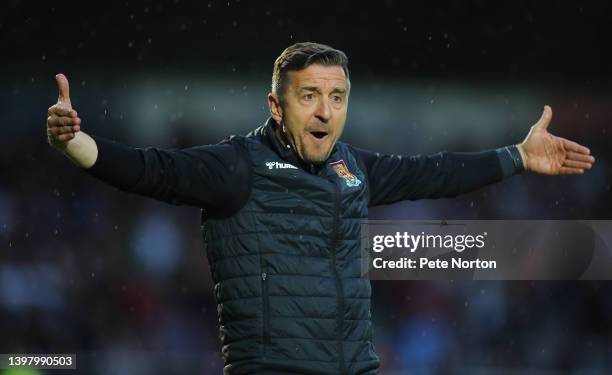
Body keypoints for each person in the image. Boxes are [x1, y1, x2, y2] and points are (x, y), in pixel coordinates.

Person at [46, 42, 595, 375]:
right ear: (276, 106)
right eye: (309, 95)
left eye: (337, 97)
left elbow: (439, 172)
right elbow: (152, 170)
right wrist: (77, 144)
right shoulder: (238, 166)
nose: (325, 111)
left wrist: (518, 156)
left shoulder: (355, 168)